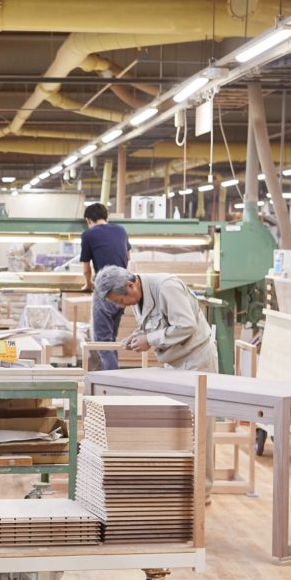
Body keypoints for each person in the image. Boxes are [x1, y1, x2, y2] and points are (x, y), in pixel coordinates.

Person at [94, 264, 218, 497]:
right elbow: (153, 323)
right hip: (174, 362)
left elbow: (186, 325)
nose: (122, 306)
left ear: (131, 285)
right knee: (177, 424)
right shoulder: (137, 295)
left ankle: (202, 491)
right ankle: (180, 484)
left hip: (196, 359)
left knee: (200, 427)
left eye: (121, 300)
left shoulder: (166, 287)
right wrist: (136, 336)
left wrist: (149, 339)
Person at [79, 203, 130, 370]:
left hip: (106, 289)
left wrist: (88, 284)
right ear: (106, 218)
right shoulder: (121, 230)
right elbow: (127, 256)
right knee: (111, 340)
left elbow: (86, 268)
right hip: (125, 289)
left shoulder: (88, 234)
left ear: (88, 220)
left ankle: (111, 383)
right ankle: (114, 379)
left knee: (103, 341)